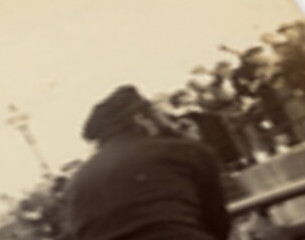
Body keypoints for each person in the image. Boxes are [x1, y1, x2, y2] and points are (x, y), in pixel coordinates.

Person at [65, 85, 231, 240]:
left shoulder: (76, 183)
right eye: (156, 111)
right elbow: (218, 225)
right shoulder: (182, 151)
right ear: (141, 119)